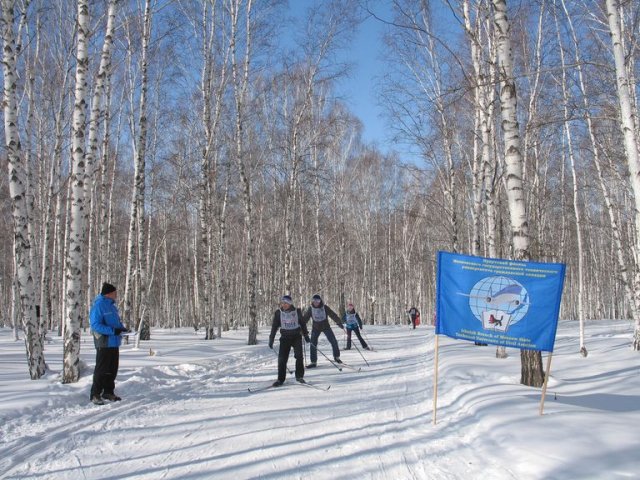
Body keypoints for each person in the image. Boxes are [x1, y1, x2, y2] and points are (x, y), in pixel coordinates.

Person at [89, 282, 129, 405]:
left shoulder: (111, 306)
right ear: (109, 293)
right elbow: (95, 325)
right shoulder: (99, 305)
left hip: (114, 342)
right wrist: (112, 331)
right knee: (101, 369)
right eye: (115, 292)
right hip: (104, 342)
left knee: (112, 369)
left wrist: (122, 329)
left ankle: (108, 392)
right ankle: (95, 394)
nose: (116, 295)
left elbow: (115, 323)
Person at [268, 295, 310, 387]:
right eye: (283, 303)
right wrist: (271, 338)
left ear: (290, 303)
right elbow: (274, 327)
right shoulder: (278, 313)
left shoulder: (297, 312)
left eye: (286, 303)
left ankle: (299, 376)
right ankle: (280, 379)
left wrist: (306, 335)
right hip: (285, 338)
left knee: (299, 356)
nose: (284, 305)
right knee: (282, 359)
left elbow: (302, 323)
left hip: (296, 337)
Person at [302, 294, 344, 368]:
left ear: (320, 301)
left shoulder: (324, 307)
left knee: (334, 341)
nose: (316, 302)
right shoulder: (311, 309)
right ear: (312, 301)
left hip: (326, 327)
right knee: (313, 344)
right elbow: (305, 318)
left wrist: (339, 322)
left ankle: (336, 357)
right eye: (314, 301)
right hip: (315, 328)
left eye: (317, 301)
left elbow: (332, 315)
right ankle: (313, 362)